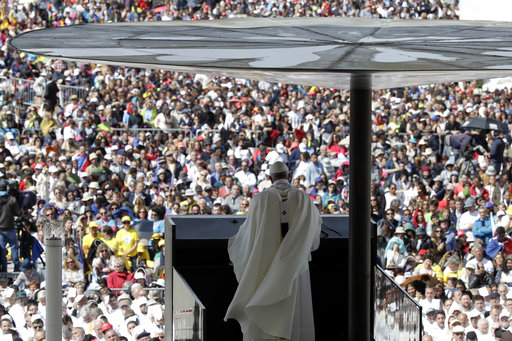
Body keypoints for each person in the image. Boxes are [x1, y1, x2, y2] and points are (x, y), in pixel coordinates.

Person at [225, 161, 322, 341]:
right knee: (294, 306)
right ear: (289, 176)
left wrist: (236, 245)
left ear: (269, 178)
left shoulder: (260, 199)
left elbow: (249, 235)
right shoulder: (303, 199)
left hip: (266, 262)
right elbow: (314, 233)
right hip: (295, 264)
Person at [0, 180, 22, 272]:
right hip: (10, 228)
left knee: (2, 248)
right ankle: (16, 265)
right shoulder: (12, 199)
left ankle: (4, 266)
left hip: (0, 229)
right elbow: (18, 213)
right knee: (14, 247)